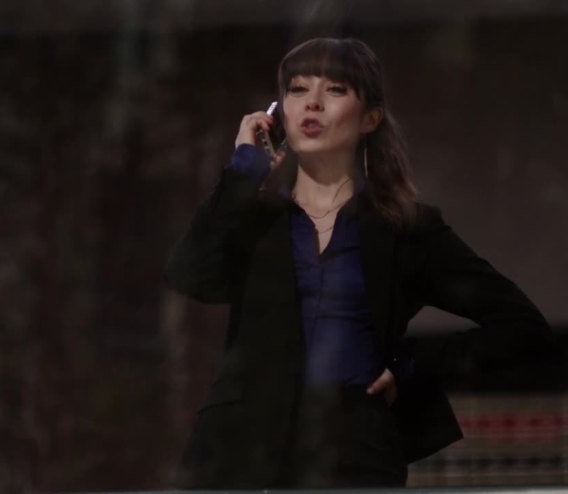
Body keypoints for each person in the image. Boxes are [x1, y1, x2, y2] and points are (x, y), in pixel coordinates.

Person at [163, 37, 557, 489]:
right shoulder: (253, 218)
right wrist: (243, 173)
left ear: (370, 117)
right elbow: (191, 277)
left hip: (354, 453)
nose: (312, 103)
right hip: (238, 454)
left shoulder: (403, 227)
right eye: (297, 89)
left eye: (335, 89)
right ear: (279, 113)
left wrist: (410, 364)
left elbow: (523, 329)